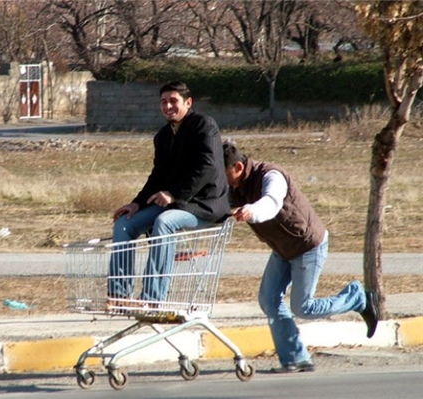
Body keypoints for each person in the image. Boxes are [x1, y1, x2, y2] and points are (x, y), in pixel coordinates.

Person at [222, 141, 380, 373]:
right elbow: (214, 206)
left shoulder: (271, 175)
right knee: (269, 300)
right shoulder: (234, 186)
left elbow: (272, 203)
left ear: (237, 166)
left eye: (223, 173)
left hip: (308, 246)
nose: (222, 180)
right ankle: (296, 358)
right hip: (283, 248)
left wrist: (252, 211)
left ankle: (358, 298)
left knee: (303, 307)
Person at [107, 81, 231, 309]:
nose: (168, 106)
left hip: (204, 205)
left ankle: (152, 300)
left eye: (173, 101)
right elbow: (158, 176)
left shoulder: (204, 125)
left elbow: (208, 166)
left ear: (188, 102)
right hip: (175, 204)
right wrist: (137, 203)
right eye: (163, 102)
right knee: (125, 224)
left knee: (164, 222)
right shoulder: (163, 136)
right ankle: (119, 296)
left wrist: (174, 194)